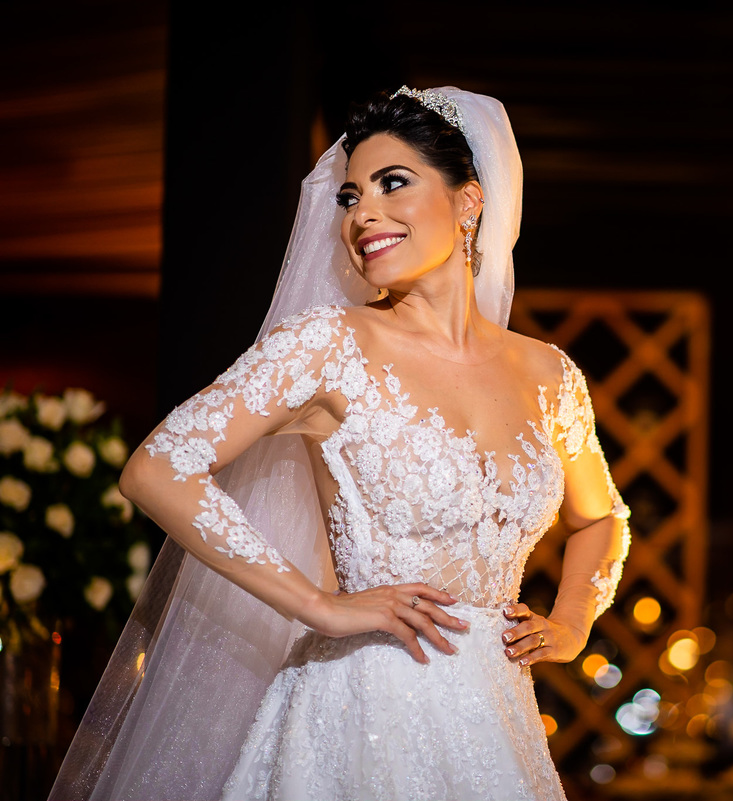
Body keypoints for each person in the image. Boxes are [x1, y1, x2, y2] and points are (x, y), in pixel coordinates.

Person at [49, 86, 631, 801]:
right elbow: (157, 467)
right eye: (350, 196)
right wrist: (319, 606)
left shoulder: (549, 373)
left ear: (469, 201)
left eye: (394, 183)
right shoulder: (328, 345)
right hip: (357, 708)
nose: (364, 214)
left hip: (497, 722)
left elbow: (602, 518)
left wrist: (571, 623)